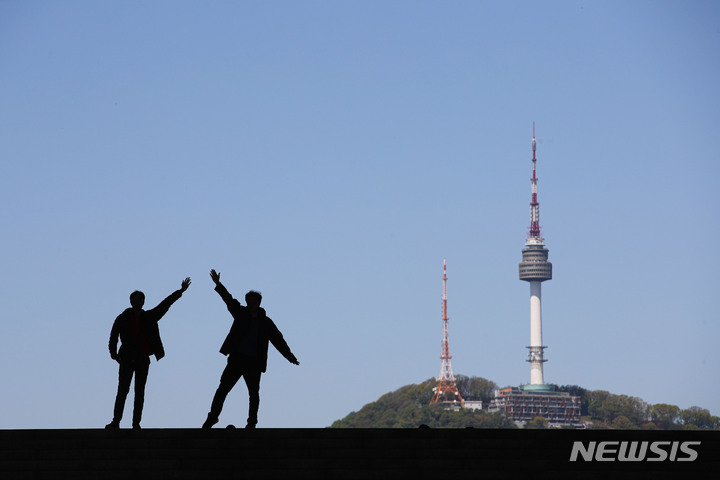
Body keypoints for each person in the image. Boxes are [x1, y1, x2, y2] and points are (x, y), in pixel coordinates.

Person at [203, 269, 299, 429]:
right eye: (249, 302)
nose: (252, 305)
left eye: (254, 303)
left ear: (259, 303)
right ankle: (212, 418)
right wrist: (218, 284)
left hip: (254, 363)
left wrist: (290, 357)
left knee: (253, 394)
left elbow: (278, 340)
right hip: (237, 359)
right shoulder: (240, 314)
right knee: (222, 389)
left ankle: (252, 423)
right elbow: (228, 300)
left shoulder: (266, 322)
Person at [106, 277, 191, 429]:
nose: (138, 302)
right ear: (131, 301)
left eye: (141, 300)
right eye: (136, 299)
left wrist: (180, 292)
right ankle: (116, 421)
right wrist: (114, 354)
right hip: (126, 357)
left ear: (143, 302)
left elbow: (165, 304)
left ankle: (135, 423)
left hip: (142, 358)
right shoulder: (122, 318)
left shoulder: (149, 317)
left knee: (139, 392)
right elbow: (113, 336)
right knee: (122, 391)